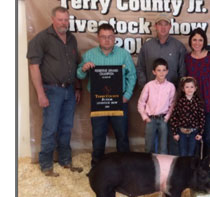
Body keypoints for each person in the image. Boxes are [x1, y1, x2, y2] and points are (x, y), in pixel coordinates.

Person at [26, 6, 83, 177]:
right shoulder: (41, 38)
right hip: (51, 89)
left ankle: (65, 160)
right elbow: (34, 67)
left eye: (66, 20)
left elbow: (76, 64)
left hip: (70, 89)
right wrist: (40, 93)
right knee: (50, 128)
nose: (64, 23)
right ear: (52, 19)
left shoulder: (72, 38)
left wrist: (78, 87)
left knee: (66, 127)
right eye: (60, 19)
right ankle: (46, 164)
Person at [77, 23, 137, 167]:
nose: (107, 40)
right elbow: (79, 74)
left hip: (119, 101)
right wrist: (84, 68)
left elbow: (132, 75)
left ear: (114, 37)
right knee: (98, 137)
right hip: (98, 103)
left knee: (122, 136)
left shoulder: (123, 55)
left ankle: (125, 168)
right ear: (98, 38)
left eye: (110, 37)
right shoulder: (89, 55)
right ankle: (97, 168)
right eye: (104, 37)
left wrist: (127, 95)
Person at [136, 13, 187, 156]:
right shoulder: (147, 47)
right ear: (155, 27)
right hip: (152, 104)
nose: (163, 27)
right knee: (151, 140)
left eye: (166, 24)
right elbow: (139, 68)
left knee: (170, 135)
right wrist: (145, 86)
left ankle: (168, 164)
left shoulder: (178, 47)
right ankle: (151, 167)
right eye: (160, 24)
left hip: (171, 100)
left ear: (170, 26)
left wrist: (179, 96)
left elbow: (182, 72)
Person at [185, 28, 210, 159]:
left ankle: (206, 164)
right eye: (194, 39)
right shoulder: (187, 59)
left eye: (200, 40)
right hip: (192, 105)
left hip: (209, 104)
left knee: (207, 137)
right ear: (190, 41)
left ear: (204, 41)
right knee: (195, 137)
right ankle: (195, 164)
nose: (197, 43)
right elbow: (184, 81)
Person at [137, 58, 176, 154]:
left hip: (163, 119)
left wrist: (167, 118)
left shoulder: (171, 87)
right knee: (149, 146)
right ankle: (149, 167)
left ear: (167, 71)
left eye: (164, 70)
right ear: (154, 72)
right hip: (151, 119)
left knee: (163, 147)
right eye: (158, 70)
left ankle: (162, 167)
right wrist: (145, 117)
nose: (161, 73)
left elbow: (173, 104)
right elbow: (141, 103)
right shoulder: (149, 86)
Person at [169, 77, 205, 157]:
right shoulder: (180, 102)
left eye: (192, 87)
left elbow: (202, 118)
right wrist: (175, 133)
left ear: (195, 88)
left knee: (191, 153)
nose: (189, 89)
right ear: (183, 88)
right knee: (183, 153)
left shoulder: (198, 102)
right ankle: (183, 169)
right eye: (187, 87)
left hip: (194, 132)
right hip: (182, 133)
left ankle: (190, 169)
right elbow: (174, 117)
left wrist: (200, 133)